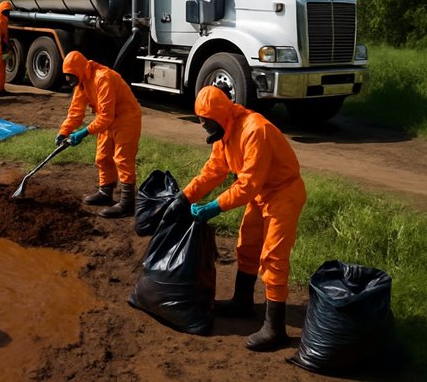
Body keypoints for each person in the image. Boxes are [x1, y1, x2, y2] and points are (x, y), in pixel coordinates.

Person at [163, 85, 307, 351]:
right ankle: (242, 303)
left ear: (219, 116)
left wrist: (214, 207)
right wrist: (184, 198)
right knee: (247, 246)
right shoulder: (225, 132)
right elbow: (215, 170)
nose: (203, 126)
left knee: (273, 257)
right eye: (201, 121)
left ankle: (275, 329)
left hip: (283, 193)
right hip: (262, 193)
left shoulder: (255, 131)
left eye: (206, 122)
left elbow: (249, 184)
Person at [55, 51, 143, 218]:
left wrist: (83, 133)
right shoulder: (82, 82)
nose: (69, 80)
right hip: (108, 120)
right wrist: (64, 131)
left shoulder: (103, 78)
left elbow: (106, 116)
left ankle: (127, 202)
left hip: (126, 118)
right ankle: (105, 192)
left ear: (79, 70)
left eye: (71, 76)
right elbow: (75, 112)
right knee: (102, 157)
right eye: (67, 76)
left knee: (122, 159)